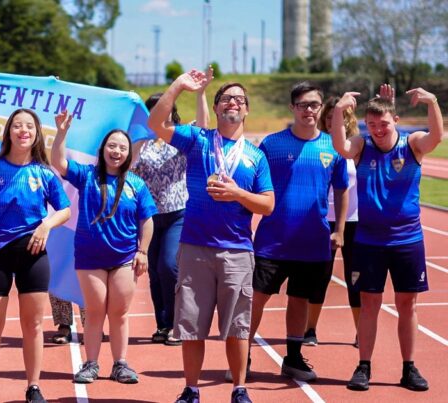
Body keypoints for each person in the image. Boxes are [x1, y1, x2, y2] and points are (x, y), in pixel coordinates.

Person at [148, 70, 274, 403]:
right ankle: (191, 389)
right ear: (216, 108)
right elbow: (156, 124)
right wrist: (179, 87)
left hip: (236, 250)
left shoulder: (256, 156)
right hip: (195, 247)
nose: (233, 103)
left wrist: (237, 194)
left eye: (240, 100)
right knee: (191, 326)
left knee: (237, 327)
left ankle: (239, 389)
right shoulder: (198, 140)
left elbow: (268, 204)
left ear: (246, 110)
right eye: (226, 99)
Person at [331, 86, 443, 392]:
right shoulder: (362, 146)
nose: (379, 130)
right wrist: (340, 110)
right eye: (373, 125)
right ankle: (363, 366)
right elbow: (340, 146)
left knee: (408, 304)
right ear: (367, 124)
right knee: (370, 304)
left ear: (396, 120)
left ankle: (409, 368)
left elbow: (435, 137)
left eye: (385, 124)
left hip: (407, 240)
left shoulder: (413, 144)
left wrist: (432, 101)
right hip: (369, 241)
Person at [0, 108, 71, 403]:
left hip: (32, 254)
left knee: (32, 325)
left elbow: (65, 209)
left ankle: (33, 387)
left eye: (29, 127)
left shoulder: (44, 173)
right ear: (8, 132)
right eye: (18, 126)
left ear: (36, 135)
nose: (23, 131)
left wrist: (46, 224)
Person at [249, 82, 349, 382]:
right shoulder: (271, 144)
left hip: (313, 240)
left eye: (314, 105)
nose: (309, 110)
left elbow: (343, 190)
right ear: (292, 107)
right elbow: (253, 187)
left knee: (300, 299)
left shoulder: (334, 146)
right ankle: (243, 354)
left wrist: (340, 230)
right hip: (272, 240)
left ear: (322, 109)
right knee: (256, 298)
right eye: (303, 104)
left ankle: (292, 358)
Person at [52, 111, 157, 384]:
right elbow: (58, 162)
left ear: (128, 154)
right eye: (112, 146)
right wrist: (61, 131)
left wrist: (142, 251)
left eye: (122, 147)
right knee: (96, 312)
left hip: (124, 258)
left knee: (119, 313)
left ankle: (120, 364)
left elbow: (147, 221)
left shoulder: (136, 184)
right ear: (103, 150)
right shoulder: (87, 175)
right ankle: (91, 364)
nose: (117, 151)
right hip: (90, 258)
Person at [131, 78, 210, 346]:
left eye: (163, 110)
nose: (159, 115)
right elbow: (128, 167)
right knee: (154, 271)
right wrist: (139, 139)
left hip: (177, 213)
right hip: (148, 217)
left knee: (169, 266)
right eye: (153, 111)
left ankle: (179, 323)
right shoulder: (138, 142)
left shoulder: (180, 137)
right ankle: (162, 325)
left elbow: (203, 126)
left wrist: (200, 94)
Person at [304, 94, 362, 347]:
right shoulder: (317, 144)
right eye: (328, 117)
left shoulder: (356, 148)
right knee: (319, 277)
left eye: (338, 117)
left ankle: (362, 332)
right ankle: (309, 330)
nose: (332, 121)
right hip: (321, 220)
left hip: (355, 222)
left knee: (356, 278)